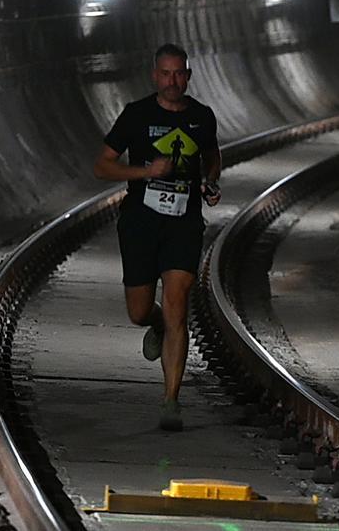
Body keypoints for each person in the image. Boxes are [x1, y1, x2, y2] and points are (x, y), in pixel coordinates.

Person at [93, 43, 222, 431]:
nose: (173, 81)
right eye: (166, 74)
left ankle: (171, 401)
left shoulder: (201, 116)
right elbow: (102, 166)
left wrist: (211, 181)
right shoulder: (137, 115)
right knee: (138, 311)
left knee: (178, 302)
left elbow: (211, 155)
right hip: (141, 222)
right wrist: (146, 172)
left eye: (179, 73)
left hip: (184, 222)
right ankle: (158, 324)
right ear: (155, 76)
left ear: (189, 75)